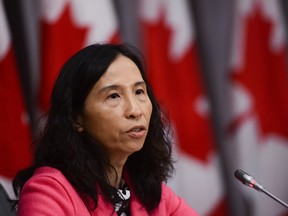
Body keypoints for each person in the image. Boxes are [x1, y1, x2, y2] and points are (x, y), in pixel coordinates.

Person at [13, 43, 199, 216]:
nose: (135, 110)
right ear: (76, 118)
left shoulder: (150, 194)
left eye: (139, 92)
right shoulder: (47, 193)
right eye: (113, 96)